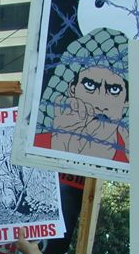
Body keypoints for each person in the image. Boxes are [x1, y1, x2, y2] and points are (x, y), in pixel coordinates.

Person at [35, 28, 129, 162]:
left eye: (114, 89)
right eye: (90, 86)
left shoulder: (135, 160)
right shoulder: (35, 149)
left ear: (127, 100)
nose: (101, 102)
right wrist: (61, 151)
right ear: (72, 89)